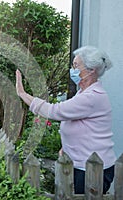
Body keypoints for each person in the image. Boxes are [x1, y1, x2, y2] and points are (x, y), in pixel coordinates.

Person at [16, 46, 116, 194]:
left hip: (91, 168)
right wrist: (68, 146)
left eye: (76, 66)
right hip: (83, 164)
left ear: (91, 70)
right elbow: (79, 123)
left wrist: (23, 94)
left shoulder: (92, 97)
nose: (73, 70)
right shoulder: (84, 93)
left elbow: (54, 111)